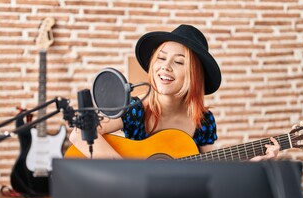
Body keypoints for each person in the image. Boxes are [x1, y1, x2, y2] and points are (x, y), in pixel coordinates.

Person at [69, 24, 280, 161]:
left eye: (179, 62)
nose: (166, 66)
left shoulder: (203, 121)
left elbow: (213, 170)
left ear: (195, 76)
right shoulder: (134, 109)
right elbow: (80, 133)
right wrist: (127, 172)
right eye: (161, 58)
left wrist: (252, 164)